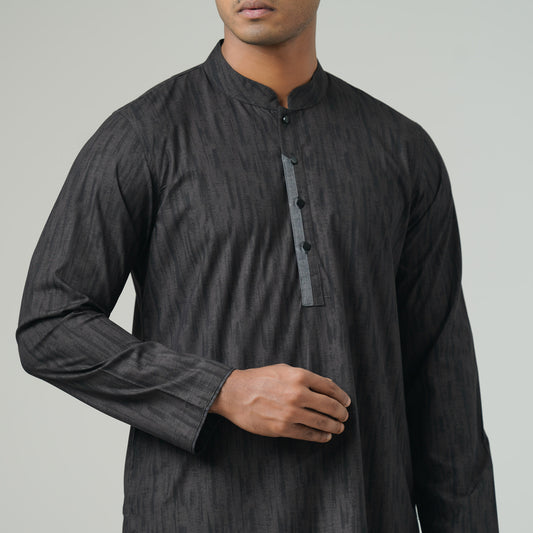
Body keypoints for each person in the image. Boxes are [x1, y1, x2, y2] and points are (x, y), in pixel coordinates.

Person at [16, 1, 499, 531]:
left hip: (365, 510)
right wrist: (219, 391)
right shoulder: (145, 136)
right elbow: (50, 325)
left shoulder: (401, 150)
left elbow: (444, 388)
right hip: (198, 515)